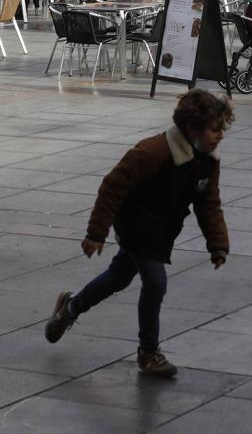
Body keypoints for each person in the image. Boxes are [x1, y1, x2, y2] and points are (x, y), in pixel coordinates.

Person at [44, 89, 231, 378]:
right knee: (155, 282)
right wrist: (97, 232)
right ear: (192, 127)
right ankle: (148, 352)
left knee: (117, 278)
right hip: (136, 226)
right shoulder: (152, 152)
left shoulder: (207, 160)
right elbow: (113, 186)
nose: (221, 135)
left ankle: (69, 308)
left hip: (161, 230)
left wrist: (218, 244)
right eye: (215, 129)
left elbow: (208, 203)